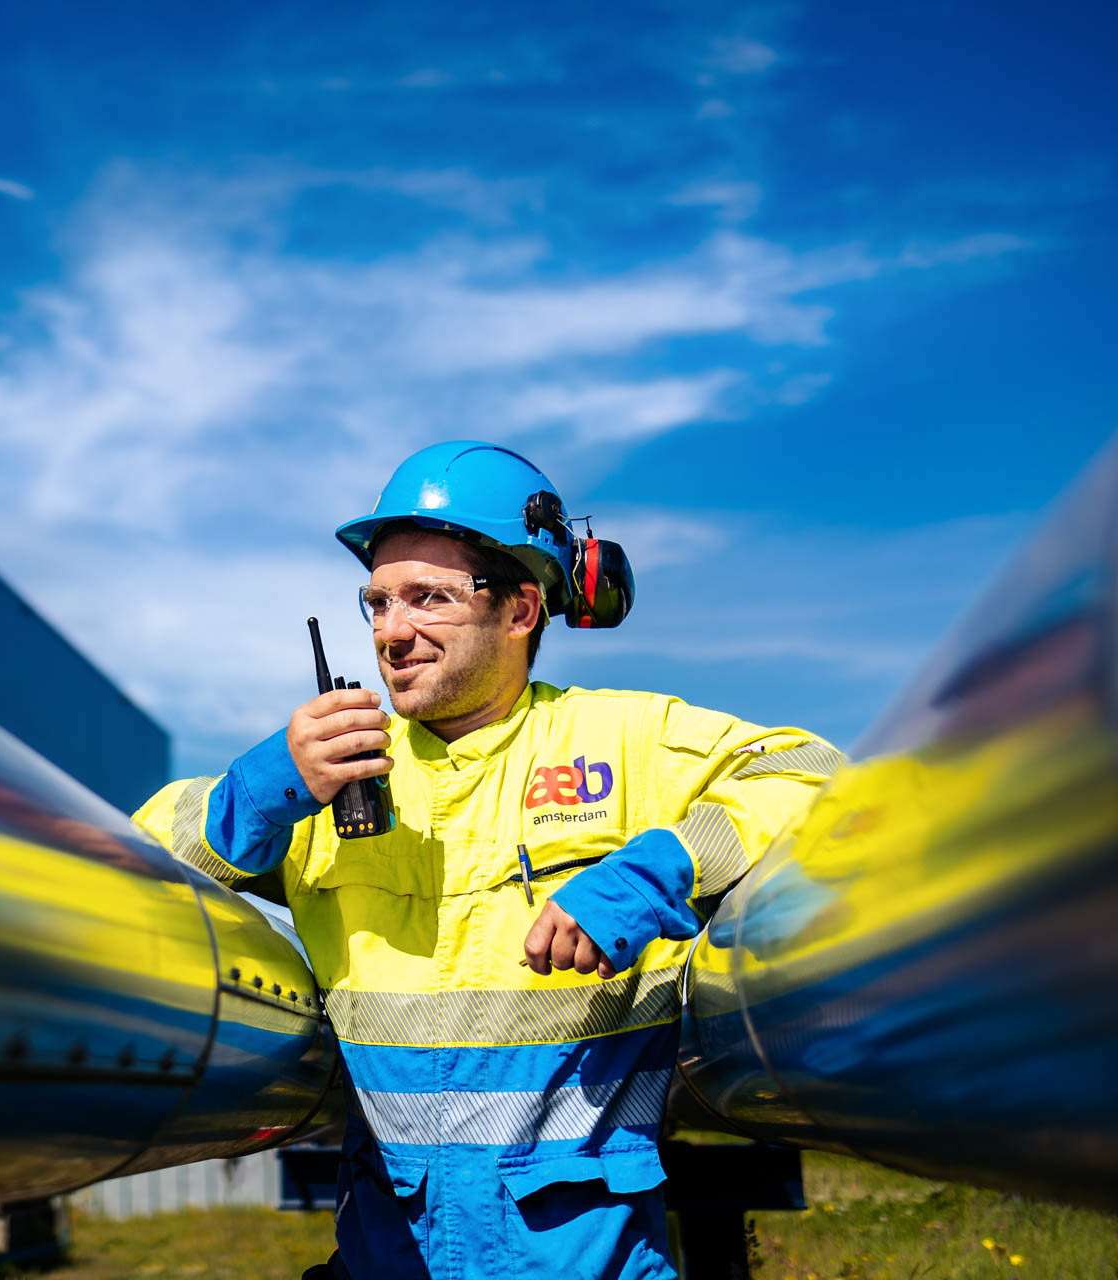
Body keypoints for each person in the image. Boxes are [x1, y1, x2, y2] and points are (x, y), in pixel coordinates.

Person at [131, 442, 843, 1280]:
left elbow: (814, 775)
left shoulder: (623, 739)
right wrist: (262, 791)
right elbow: (128, 862)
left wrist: (650, 876)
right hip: (390, 1252)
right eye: (378, 603)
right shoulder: (328, 773)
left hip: (585, 1259)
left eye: (428, 598)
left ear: (520, 611)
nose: (393, 632)